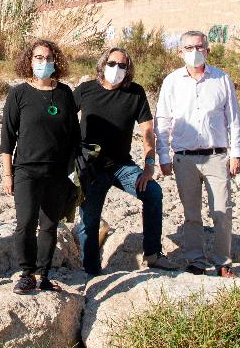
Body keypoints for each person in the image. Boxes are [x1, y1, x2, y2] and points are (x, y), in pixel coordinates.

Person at [74, 47, 178, 274]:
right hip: (90, 166)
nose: (117, 69)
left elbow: (148, 130)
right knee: (88, 220)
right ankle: (90, 269)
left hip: (122, 166)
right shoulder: (85, 90)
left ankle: (152, 254)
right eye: (112, 64)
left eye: (123, 65)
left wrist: (149, 166)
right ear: (102, 65)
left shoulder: (135, 93)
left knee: (153, 193)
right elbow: (65, 121)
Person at [155, 31, 240, 277]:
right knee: (191, 214)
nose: (195, 51)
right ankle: (196, 261)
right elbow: (162, 120)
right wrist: (163, 156)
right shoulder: (172, 81)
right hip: (184, 158)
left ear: (208, 50)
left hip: (217, 156)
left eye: (200, 47)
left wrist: (236, 154)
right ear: (179, 51)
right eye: (189, 47)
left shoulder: (221, 79)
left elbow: (233, 118)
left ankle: (223, 262)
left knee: (222, 211)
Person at [0, 39, 81, 294]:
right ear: (29, 61)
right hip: (26, 170)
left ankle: (43, 274)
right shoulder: (19, 93)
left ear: (55, 61)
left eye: (48, 58)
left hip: (57, 173)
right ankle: (26, 273)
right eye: (38, 58)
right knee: (25, 223)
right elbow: (7, 138)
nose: (43, 63)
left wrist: (74, 174)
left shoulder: (65, 93)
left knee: (49, 225)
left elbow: (74, 136)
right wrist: (7, 173)